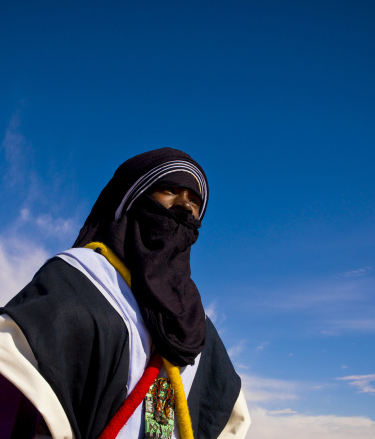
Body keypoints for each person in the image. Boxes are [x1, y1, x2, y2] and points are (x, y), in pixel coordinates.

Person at [0, 148, 250, 439]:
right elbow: (21, 384)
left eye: (195, 200)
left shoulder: (196, 324)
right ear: (131, 200)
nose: (186, 206)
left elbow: (225, 417)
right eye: (170, 189)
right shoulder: (80, 280)